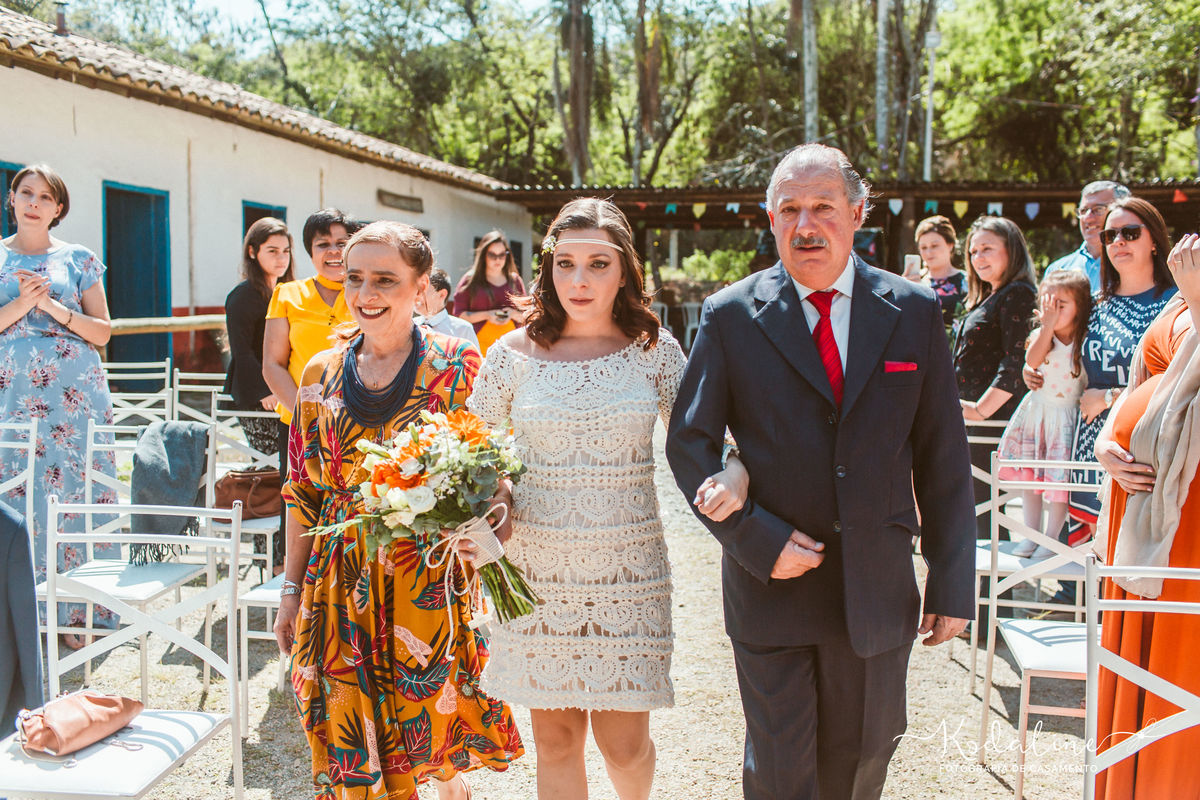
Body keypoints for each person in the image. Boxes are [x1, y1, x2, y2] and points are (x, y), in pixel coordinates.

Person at [665, 144, 975, 800]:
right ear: (771, 220)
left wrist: (952, 579)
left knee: (861, 764)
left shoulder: (915, 310)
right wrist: (755, 539)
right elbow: (689, 444)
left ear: (858, 213)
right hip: (772, 590)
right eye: (790, 210)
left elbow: (943, 453)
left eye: (823, 207)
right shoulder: (729, 315)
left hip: (877, 591)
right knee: (779, 775)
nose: (806, 225)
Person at [466, 198, 749, 800]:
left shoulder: (656, 351)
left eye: (598, 264)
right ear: (548, 269)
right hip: (535, 574)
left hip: (628, 572)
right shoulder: (509, 355)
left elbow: (707, 437)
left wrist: (737, 469)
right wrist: (495, 498)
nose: (579, 280)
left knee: (624, 745)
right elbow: (472, 454)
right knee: (556, 742)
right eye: (565, 263)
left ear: (624, 272)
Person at [272, 221, 520, 800]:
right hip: (339, 584)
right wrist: (289, 590)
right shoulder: (318, 373)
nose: (366, 294)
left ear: (421, 286)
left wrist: (495, 522)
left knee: (431, 726)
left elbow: (492, 464)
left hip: (426, 579)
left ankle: (450, 786)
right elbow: (302, 492)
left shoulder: (457, 362)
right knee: (350, 742)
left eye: (385, 279)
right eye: (354, 278)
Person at [1091, 233, 1200, 799]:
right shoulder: (1183, 286)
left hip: (1187, 520)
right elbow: (1142, 384)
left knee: (1177, 662)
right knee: (1134, 656)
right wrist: (1107, 440)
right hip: (1139, 507)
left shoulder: (1190, 288)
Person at [1032, 197, 1178, 608]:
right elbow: (1059, 354)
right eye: (1110, 234)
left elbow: (1179, 377)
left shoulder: (1176, 303)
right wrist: (1033, 371)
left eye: (1130, 233)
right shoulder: (1094, 305)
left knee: (1132, 562)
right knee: (1087, 562)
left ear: (1154, 240)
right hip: (1090, 446)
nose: (1118, 242)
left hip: (1145, 450)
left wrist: (1112, 397)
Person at [0, 164, 119, 646]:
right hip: (11, 395)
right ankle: (18, 612)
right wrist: (23, 304)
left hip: (77, 397)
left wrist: (52, 308)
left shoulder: (79, 258)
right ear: (11, 198)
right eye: (26, 192)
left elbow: (103, 331)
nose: (34, 202)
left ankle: (79, 608)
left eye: (45, 197)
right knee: (14, 490)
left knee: (76, 491)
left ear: (58, 208)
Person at [262, 209, 358, 515]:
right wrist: (309, 419)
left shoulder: (367, 294)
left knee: (352, 512)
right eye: (322, 244)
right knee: (299, 511)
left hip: (358, 422)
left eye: (342, 243)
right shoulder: (287, 294)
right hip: (298, 425)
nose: (333, 251)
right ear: (310, 250)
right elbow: (273, 365)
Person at [995, 270, 1092, 558]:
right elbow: (1032, 360)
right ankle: (1030, 535)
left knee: (1059, 482)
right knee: (1031, 480)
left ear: (1080, 307)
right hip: (1037, 416)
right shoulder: (1041, 336)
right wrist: (1047, 327)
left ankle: (1051, 539)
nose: (1053, 311)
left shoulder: (1086, 339)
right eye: (1048, 303)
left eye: (1061, 305)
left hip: (1066, 420)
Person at [954, 215, 1038, 538]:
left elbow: (1016, 361)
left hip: (992, 423)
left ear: (1011, 250)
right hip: (972, 421)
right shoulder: (989, 295)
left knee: (985, 514)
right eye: (973, 251)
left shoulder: (1018, 294)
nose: (978, 258)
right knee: (976, 511)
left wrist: (980, 410)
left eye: (987, 248)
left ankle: (993, 576)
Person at [224, 217, 294, 455]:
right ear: (253, 252)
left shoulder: (287, 293)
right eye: (272, 251)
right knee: (270, 463)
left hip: (286, 390)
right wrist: (266, 390)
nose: (281, 258)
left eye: (286, 251)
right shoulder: (242, 296)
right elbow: (242, 352)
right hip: (260, 396)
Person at [1044, 180, 1130, 294]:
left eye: (1098, 209)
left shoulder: (1134, 264)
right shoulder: (1057, 270)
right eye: (1083, 211)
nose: (1088, 218)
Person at [452, 231, 525, 355]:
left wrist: (512, 314)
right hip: (477, 348)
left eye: (502, 255)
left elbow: (527, 316)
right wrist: (487, 315)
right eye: (492, 255)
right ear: (483, 255)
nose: (498, 259)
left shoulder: (515, 281)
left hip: (512, 350)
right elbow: (459, 315)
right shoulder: (470, 280)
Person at [914, 215, 966, 328]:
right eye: (923, 247)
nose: (928, 252)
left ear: (950, 245)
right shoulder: (914, 281)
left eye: (934, 246)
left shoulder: (967, 282)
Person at [416, 267, 479, 349]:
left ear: (442, 294)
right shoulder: (411, 326)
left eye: (423, 291)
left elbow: (473, 357)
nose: (417, 295)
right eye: (416, 290)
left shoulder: (463, 330)